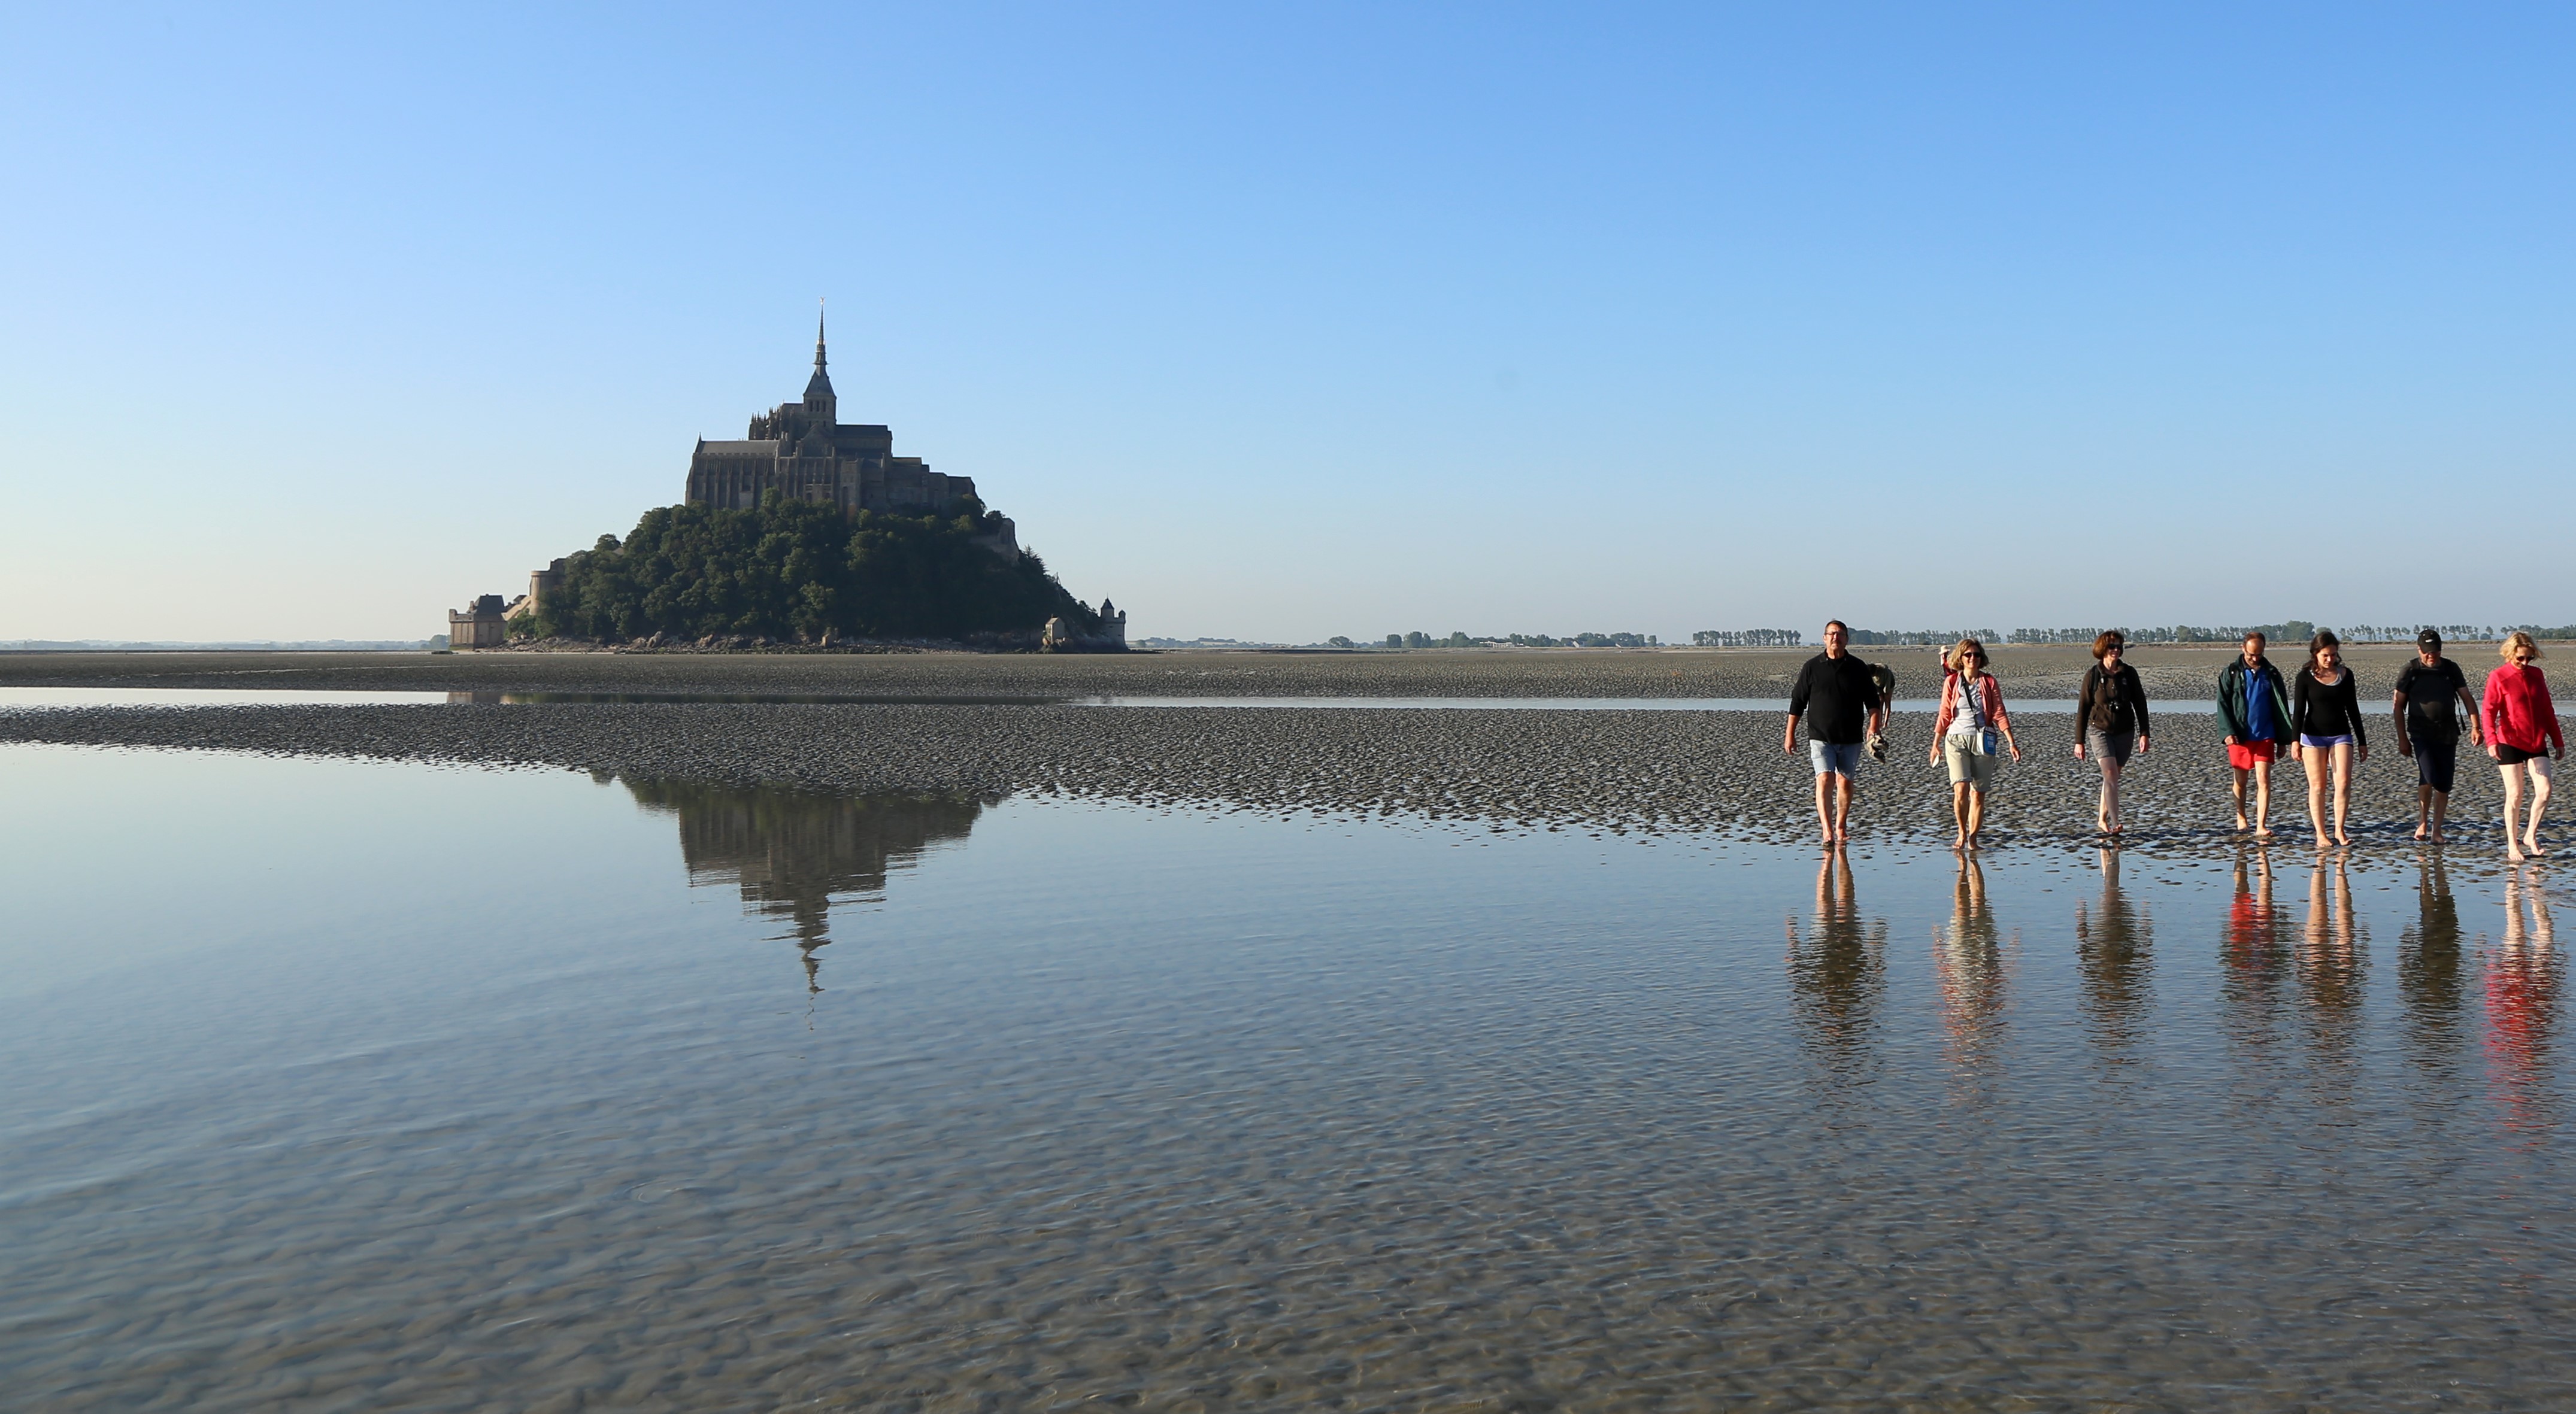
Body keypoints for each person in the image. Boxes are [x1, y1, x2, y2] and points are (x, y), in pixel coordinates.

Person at [1783, 619, 1886, 846]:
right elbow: (1798, 702)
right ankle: (1827, 831)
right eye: (1831, 634)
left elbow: (1873, 701)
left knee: (1845, 782)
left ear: (1847, 639)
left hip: (1851, 737)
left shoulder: (1858, 667)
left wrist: (1874, 725)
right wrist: (1790, 734)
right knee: (1825, 778)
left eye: (1840, 634)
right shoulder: (1812, 667)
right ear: (1824, 638)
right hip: (1820, 736)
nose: (1835, 638)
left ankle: (1841, 826)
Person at [1926, 637, 2021, 851]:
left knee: (1978, 793)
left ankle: (1974, 838)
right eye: (1968, 655)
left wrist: (2011, 742)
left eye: (1976, 655)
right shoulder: (1952, 682)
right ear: (1960, 658)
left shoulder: (1989, 682)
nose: (1972, 659)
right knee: (1961, 788)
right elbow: (1944, 714)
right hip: (1956, 740)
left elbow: (1999, 712)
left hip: (1983, 741)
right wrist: (1936, 744)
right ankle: (1961, 832)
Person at [2392, 629, 2483, 842]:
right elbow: (2398, 707)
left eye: (2435, 652)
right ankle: (2423, 822)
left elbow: (2467, 698)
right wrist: (2402, 738)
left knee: (2444, 783)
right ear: (2419, 650)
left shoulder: (2450, 669)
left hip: (2448, 731)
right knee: (2428, 776)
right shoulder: (2411, 670)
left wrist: (2476, 727)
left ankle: (2437, 831)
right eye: (2427, 652)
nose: (2431, 656)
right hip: (2420, 731)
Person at [2482, 630, 2563, 862]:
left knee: (2545, 790)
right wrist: (2491, 740)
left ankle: (2530, 835)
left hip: (2536, 740)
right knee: (2516, 794)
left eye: (2530, 658)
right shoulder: (2499, 677)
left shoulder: (2537, 675)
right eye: (2521, 659)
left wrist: (2557, 741)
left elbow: (2547, 710)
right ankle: (2512, 844)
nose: (2525, 663)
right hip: (2509, 741)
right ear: (2510, 655)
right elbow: (2489, 711)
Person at [2290, 630, 2369, 847]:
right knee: (2318, 786)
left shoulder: (2346, 675)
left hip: (2341, 735)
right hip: (2313, 737)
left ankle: (2340, 831)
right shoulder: (2304, 677)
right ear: (2315, 654)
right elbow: (2298, 711)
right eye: (2325, 655)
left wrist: (2362, 741)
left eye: (2333, 655)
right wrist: (2294, 741)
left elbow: (2353, 708)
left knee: (2343, 782)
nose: (2329, 659)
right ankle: (2321, 834)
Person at [2217, 631, 2296, 836]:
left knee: (2264, 780)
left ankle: (2261, 825)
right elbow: (2223, 704)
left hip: (2265, 735)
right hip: (2240, 736)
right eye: (2251, 654)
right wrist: (2227, 732)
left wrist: (2282, 741)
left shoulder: (2272, 674)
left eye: (2259, 654)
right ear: (2243, 648)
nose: (2255, 658)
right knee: (2241, 781)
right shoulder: (2232, 673)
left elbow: (2281, 708)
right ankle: (2241, 816)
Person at [2072, 631, 2150, 836]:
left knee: (2113, 779)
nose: (2116, 651)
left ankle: (2101, 819)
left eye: (2119, 647)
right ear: (2102, 650)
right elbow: (2083, 708)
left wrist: (2145, 733)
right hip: (2100, 730)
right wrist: (2079, 741)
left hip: (2125, 731)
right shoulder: (2093, 675)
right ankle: (2116, 822)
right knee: (2110, 775)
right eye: (2112, 647)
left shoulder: (2129, 674)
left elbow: (2140, 704)